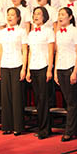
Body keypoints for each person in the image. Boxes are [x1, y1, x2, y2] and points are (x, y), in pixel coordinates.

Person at [0, 7, 29, 136]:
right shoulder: (2, 32)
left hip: (17, 64)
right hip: (5, 65)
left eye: (12, 15)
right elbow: (0, 50)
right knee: (5, 97)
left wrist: (24, 68)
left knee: (17, 97)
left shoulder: (22, 31)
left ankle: (18, 127)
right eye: (8, 15)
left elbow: (25, 50)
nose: (10, 17)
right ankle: (7, 126)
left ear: (18, 18)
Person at [26, 7, 55, 139]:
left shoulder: (48, 31)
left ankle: (45, 129)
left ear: (44, 17)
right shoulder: (31, 34)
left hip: (44, 66)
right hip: (33, 67)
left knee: (44, 99)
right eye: (34, 14)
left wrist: (49, 69)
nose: (36, 16)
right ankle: (41, 127)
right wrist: (28, 70)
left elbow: (50, 52)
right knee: (37, 99)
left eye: (39, 14)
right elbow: (30, 52)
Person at [54, 7, 77, 142]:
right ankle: (75, 128)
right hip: (60, 67)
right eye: (59, 15)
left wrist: (75, 71)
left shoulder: (75, 31)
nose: (60, 17)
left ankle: (69, 131)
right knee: (67, 101)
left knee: (71, 102)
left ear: (70, 17)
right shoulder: (58, 32)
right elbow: (58, 52)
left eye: (63, 14)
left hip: (71, 67)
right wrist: (55, 71)